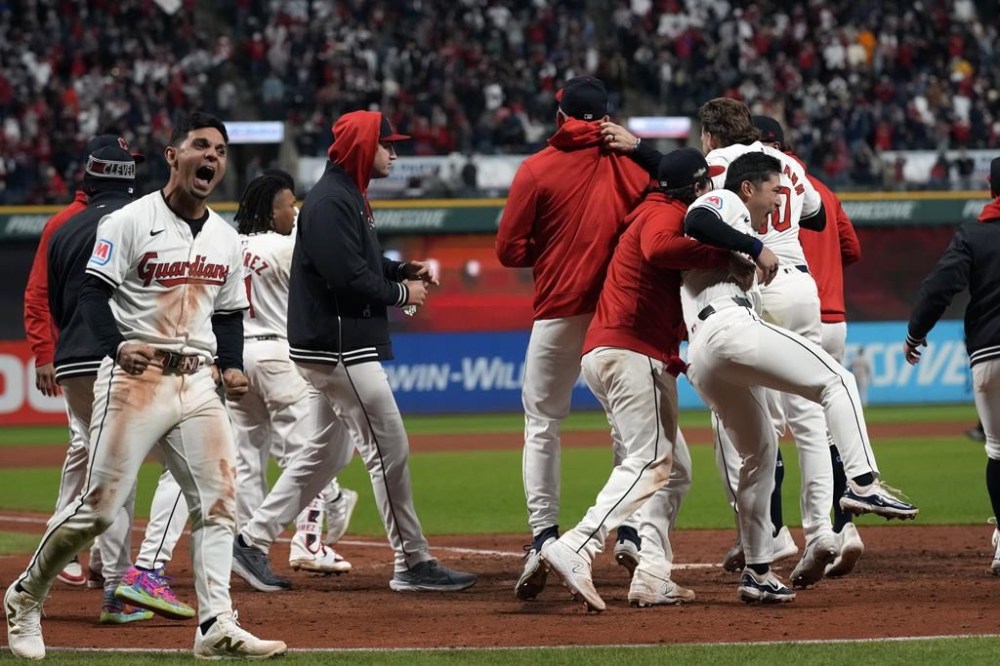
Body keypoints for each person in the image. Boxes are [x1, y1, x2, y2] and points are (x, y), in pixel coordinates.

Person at [4, 111, 286, 660]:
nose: (212, 158)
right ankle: (24, 595)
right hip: (136, 379)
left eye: (221, 151)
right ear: (171, 155)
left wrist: (230, 365)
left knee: (219, 503)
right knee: (101, 510)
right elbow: (91, 296)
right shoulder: (128, 221)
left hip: (198, 382)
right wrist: (116, 346)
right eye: (200, 146)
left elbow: (229, 314)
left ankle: (215, 625)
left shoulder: (226, 238)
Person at [540, 148, 751, 612]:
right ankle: (578, 545)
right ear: (698, 188)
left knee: (673, 472)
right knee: (653, 459)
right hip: (631, 349)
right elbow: (659, 248)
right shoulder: (665, 213)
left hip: (618, 348)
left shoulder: (651, 208)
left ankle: (652, 576)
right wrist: (725, 250)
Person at [287, 109, 476, 592]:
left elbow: (361, 262)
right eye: (386, 144)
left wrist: (398, 270)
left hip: (338, 345)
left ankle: (248, 540)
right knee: (388, 450)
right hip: (339, 346)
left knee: (323, 458)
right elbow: (345, 275)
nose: (394, 152)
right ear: (360, 147)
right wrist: (400, 294)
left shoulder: (349, 194)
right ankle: (411, 562)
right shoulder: (333, 199)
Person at [495, 76, 652, 601]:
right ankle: (628, 530)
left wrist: (554, 250)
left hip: (559, 310)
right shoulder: (633, 165)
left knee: (542, 423)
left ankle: (543, 537)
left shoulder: (536, 168)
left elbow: (508, 250)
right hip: (618, 312)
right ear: (606, 117)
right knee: (629, 430)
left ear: (561, 116)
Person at [228, 169, 357, 591]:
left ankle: (246, 546)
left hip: (236, 357)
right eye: (289, 203)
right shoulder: (287, 248)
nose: (295, 209)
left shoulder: (227, 246)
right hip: (278, 355)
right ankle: (308, 542)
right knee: (307, 455)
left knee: (247, 460)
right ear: (272, 209)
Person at [22, 134, 141, 587]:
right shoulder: (69, 222)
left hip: (82, 354)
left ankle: (85, 558)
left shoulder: (104, 218)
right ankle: (107, 572)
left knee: (91, 451)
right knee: (104, 455)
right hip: (95, 352)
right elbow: (38, 294)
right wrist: (42, 352)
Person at [756, 115, 866, 578]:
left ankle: (773, 532)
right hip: (831, 315)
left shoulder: (753, 190)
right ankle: (844, 528)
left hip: (785, 309)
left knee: (769, 425)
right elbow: (852, 250)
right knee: (824, 426)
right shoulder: (820, 189)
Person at [905, 156, 1000, 574]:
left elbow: (939, 287)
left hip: (990, 353)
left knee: (998, 451)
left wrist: (915, 333)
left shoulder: (974, 235)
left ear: (989, 187)